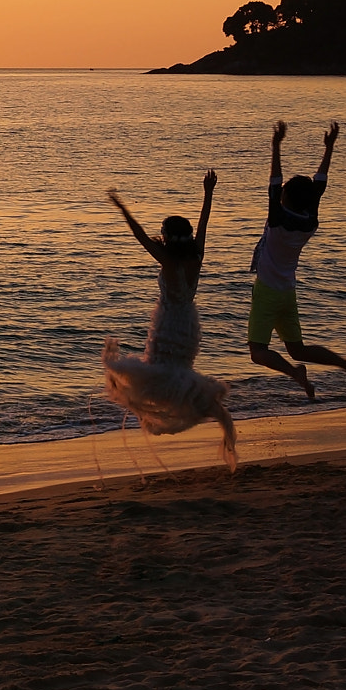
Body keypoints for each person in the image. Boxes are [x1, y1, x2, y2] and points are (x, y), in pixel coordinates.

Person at [101, 170, 239, 472]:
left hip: (170, 323)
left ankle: (181, 411)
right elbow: (204, 224)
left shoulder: (169, 260)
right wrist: (208, 193)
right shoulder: (196, 255)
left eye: (162, 233)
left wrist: (122, 207)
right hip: (188, 323)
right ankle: (210, 412)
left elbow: (139, 236)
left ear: (167, 237)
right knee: (173, 374)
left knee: (159, 375)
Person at [246, 121, 346, 398]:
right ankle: (344, 364)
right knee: (298, 349)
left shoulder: (278, 219)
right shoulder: (309, 220)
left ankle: (295, 373)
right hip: (287, 292)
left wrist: (276, 146)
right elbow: (319, 185)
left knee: (258, 351)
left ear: (285, 198)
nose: (280, 193)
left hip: (268, 291)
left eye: (283, 193)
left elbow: (275, 181)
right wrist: (329, 148)